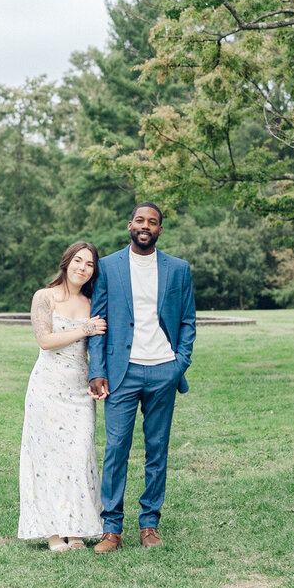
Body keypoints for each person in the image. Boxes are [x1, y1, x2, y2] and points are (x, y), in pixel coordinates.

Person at [87, 202, 196, 553]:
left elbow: (188, 321)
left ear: (160, 230)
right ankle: (112, 529)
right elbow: (98, 323)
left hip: (164, 369)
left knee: (156, 449)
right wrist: (98, 370)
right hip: (123, 371)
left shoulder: (179, 270)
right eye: (140, 220)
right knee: (116, 447)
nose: (145, 226)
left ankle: (149, 524)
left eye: (153, 222)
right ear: (129, 225)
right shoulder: (107, 267)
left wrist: (179, 364)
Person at [18, 242, 107, 551]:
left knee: (80, 454)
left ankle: (77, 527)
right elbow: (45, 340)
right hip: (47, 388)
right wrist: (85, 328)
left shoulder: (93, 302)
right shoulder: (45, 297)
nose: (82, 268)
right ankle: (53, 532)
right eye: (78, 261)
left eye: (90, 264)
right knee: (46, 458)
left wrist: (100, 379)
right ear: (67, 262)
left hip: (79, 391)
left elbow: (98, 348)